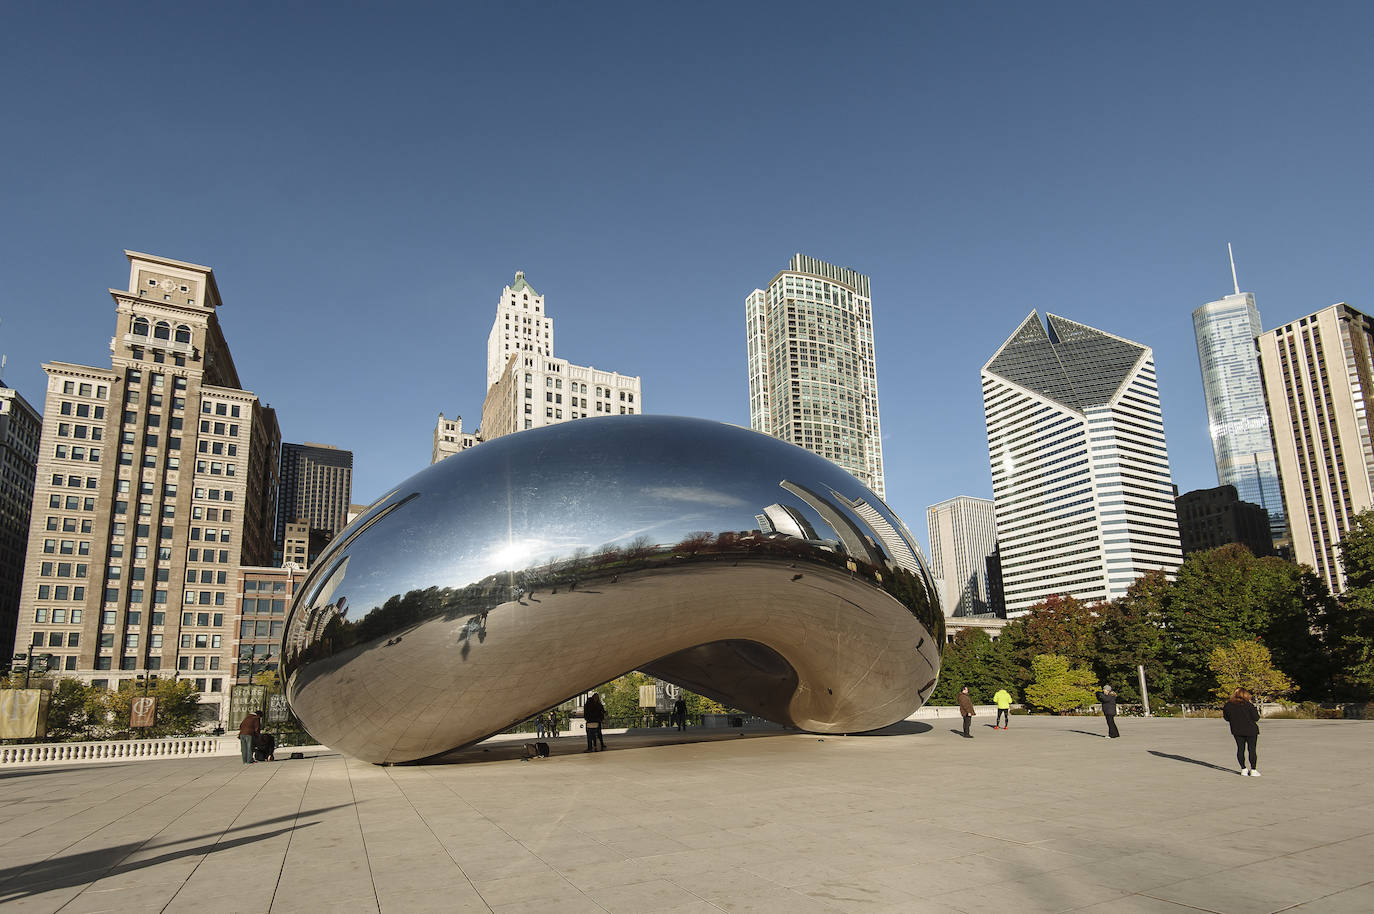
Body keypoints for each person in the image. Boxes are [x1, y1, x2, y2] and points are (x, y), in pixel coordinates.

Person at [1223, 687, 1261, 776]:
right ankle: (1253, 769)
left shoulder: (1228, 705)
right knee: (1252, 749)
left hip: (1236, 730)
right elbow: (1256, 718)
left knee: (1240, 749)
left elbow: (1226, 718)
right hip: (1251, 730)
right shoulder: (1248, 705)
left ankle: (1243, 768)